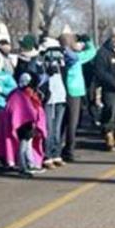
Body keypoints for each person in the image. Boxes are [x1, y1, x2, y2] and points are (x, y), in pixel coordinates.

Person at [0, 73, 48, 177]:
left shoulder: (26, 93)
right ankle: (22, 168)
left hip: (28, 124)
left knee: (28, 145)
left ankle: (30, 164)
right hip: (22, 125)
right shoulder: (19, 94)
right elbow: (14, 110)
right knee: (23, 146)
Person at [60, 32, 97, 162]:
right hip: (73, 91)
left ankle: (55, 148)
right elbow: (92, 52)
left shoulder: (59, 54)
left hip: (60, 90)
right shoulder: (74, 57)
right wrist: (87, 40)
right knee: (72, 122)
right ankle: (69, 150)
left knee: (60, 121)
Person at [40, 38, 68, 169]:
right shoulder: (40, 62)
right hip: (48, 99)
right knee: (49, 128)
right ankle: (47, 155)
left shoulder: (61, 62)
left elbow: (74, 60)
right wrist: (46, 73)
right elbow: (37, 81)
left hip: (60, 97)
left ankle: (57, 153)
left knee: (57, 128)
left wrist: (64, 52)